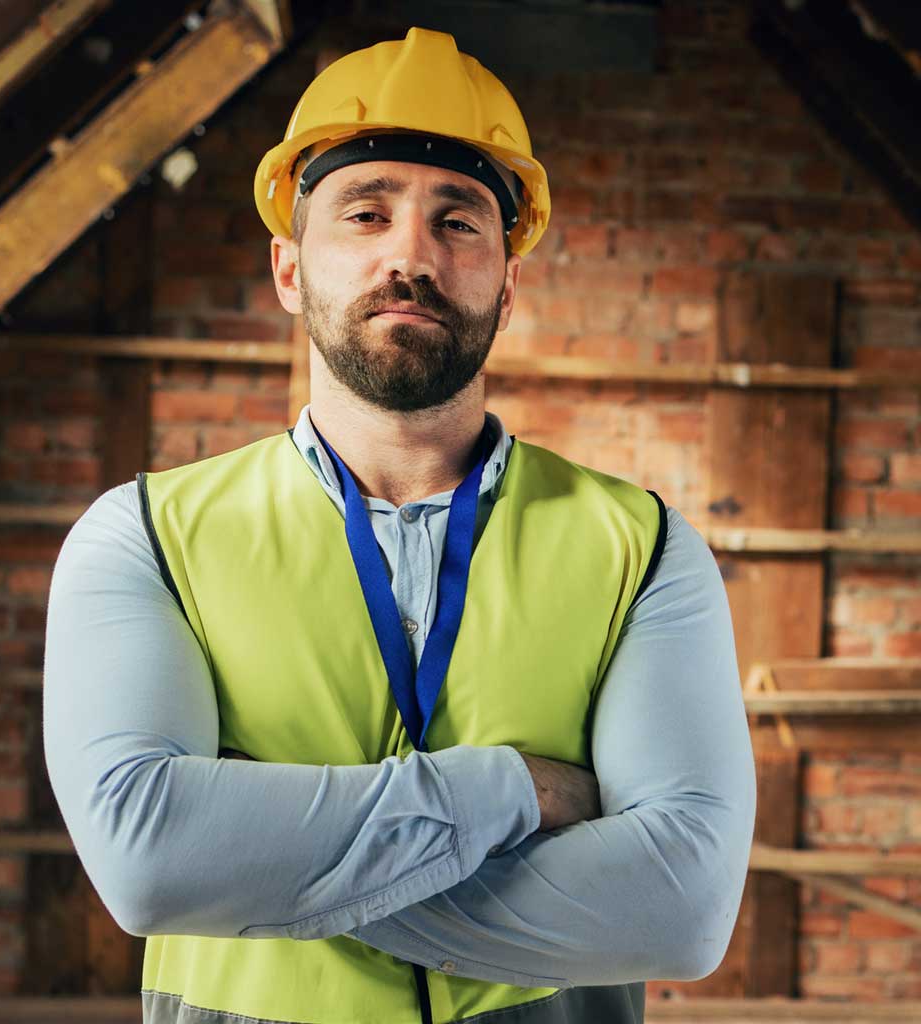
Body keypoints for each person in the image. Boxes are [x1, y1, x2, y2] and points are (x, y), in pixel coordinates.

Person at [43, 26, 756, 1024]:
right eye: (366, 213)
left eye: (458, 222)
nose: (411, 255)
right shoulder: (147, 538)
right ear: (291, 269)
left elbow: (680, 910)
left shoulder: (641, 549)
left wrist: (268, 856)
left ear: (506, 286)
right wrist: (510, 792)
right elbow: (150, 863)